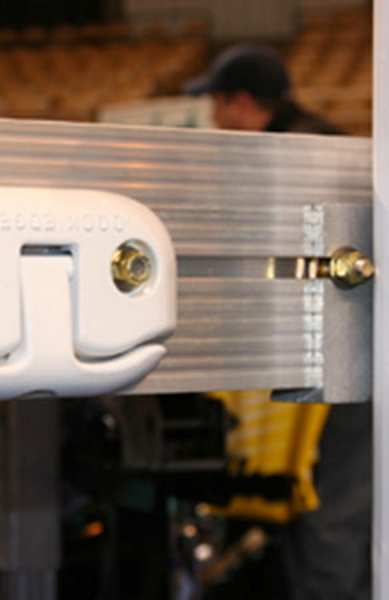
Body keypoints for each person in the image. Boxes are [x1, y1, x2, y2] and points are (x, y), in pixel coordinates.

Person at [186, 44, 371, 600]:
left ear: (242, 104)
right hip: (349, 358)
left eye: (217, 106)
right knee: (336, 507)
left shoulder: (290, 162)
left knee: (328, 511)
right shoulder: (321, 146)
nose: (215, 121)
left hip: (345, 368)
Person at [185, 43, 341, 134]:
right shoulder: (303, 135)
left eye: (217, 105)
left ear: (242, 104)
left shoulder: (293, 152)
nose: (213, 117)